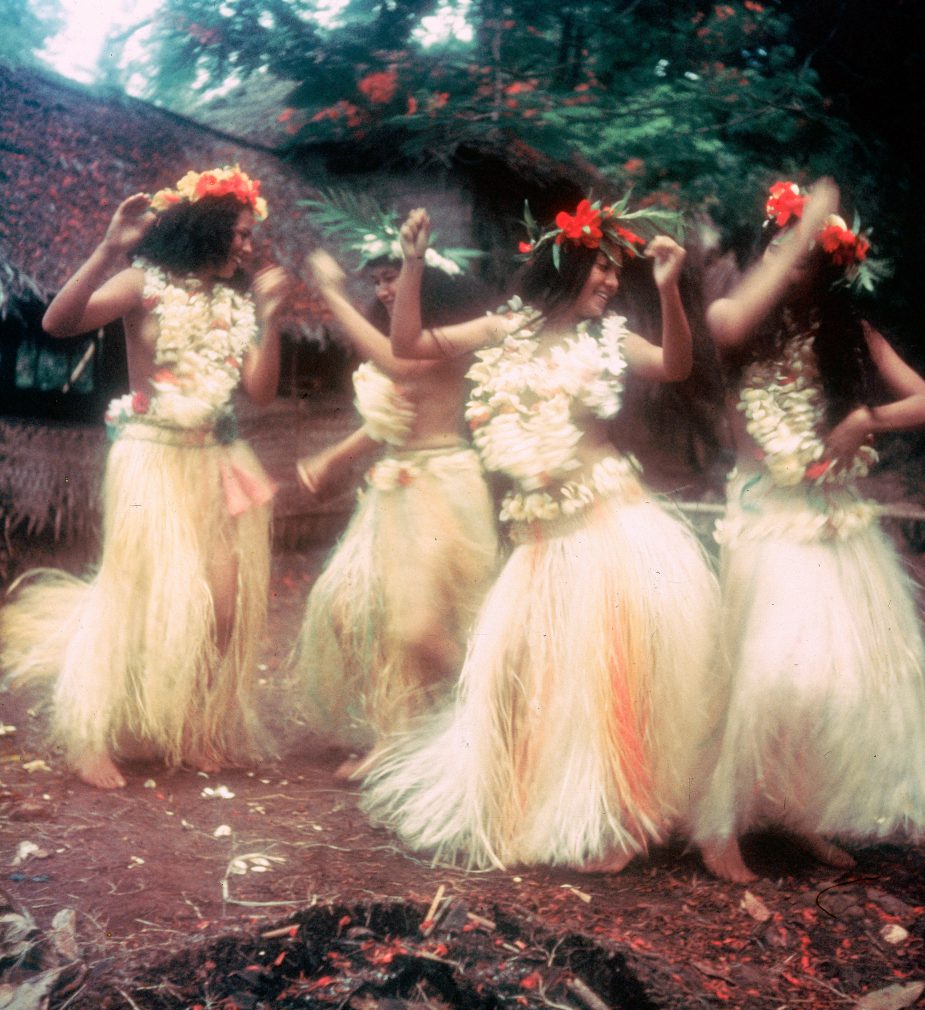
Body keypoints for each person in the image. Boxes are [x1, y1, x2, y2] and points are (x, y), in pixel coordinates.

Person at [361, 198, 722, 873]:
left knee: (609, 679)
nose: (611, 283)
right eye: (600, 269)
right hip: (537, 543)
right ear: (565, 268)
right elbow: (407, 344)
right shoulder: (505, 330)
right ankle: (539, 802)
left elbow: (674, 365)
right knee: (518, 678)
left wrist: (669, 291)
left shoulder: (608, 338)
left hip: (606, 529)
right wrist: (410, 268)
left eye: (616, 272)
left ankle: (625, 821)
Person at [695, 178, 925, 881]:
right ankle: (718, 826)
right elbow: (725, 322)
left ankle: (799, 811)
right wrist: (801, 226)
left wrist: (862, 419)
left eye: (811, 258)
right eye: (785, 254)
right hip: (762, 517)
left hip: (827, 519)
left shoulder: (850, 336)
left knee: (835, 680)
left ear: (832, 270)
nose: (795, 268)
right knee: (770, 676)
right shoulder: (736, 322)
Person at [0, 166, 289, 790]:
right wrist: (108, 248)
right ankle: (90, 735)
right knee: (136, 598)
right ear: (208, 229)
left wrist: (268, 316)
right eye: (240, 233)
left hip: (214, 460)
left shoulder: (233, 304)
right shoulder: (143, 284)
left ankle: (192, 729)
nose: (248, 245)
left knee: (222, 607)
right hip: (150, 457)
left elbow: (261, 393)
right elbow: (57, 323)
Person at [294, 225, 499, 777]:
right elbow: (392, 417)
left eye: (395, 277)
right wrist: (336, 458)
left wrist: (333, 294)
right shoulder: (407, 336)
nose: (386, 290)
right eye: (380, 280)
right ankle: (397, 731)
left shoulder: (454, 333)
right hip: (393, 486)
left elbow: (399, 363)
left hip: (443, 485)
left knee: (421, 628)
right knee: (352, 612)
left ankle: (496, 715)